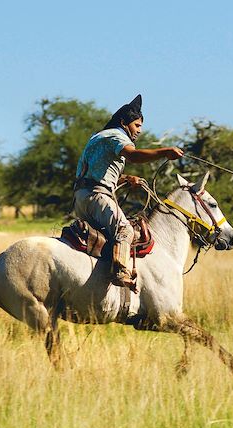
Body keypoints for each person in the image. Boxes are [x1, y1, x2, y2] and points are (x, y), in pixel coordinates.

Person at [73, 94, 184, 288]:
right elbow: (133, 156)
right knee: (125, 229)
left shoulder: (98, 137)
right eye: (137, 126)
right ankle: (120, 272)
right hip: (97, 196)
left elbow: (96, 172)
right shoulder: (116, 136)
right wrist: (164, 152)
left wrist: (126, 178)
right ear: (124, 122)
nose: (139, 131)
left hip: (81, 197)